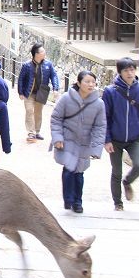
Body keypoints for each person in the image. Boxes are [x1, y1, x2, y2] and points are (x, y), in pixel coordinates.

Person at [101, 57, 139, 211]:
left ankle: (127, 181)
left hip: (134, 138)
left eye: (132, 69)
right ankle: (118, 203)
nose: (130, 73)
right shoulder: (110, 92)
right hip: (115, 139)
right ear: (120, 72)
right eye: (126, 70)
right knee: (116, 171)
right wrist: (107, 139)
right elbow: (105, 116)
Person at [50, 70, 106, 213]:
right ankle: (68, 199)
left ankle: (77, 201)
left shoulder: (99, 104)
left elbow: (100, 126)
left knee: (79, 173)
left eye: (93, 82)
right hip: (67, 139)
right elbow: (56, 118)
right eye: (87, 81)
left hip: (84, 142)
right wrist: (57, 138)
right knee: (69, 169)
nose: (90, 84)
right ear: (79, 83)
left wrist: (96, 148)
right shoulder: (66, 99)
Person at [18, 43, 60, 144]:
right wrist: (20, 92)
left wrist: (56, 88)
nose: (44, 52)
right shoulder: (27, 65)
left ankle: (37, 131)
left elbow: (54, 76)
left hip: (41, 92)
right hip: (29, 93)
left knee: (38, 113)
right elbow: (21, 79)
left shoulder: (48, 64)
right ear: (36, 54)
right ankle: (30, 132)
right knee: (29, 111)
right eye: (42, 51)